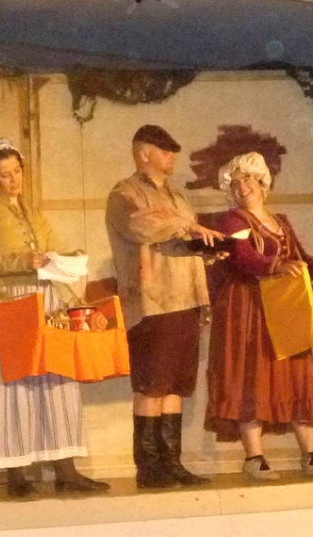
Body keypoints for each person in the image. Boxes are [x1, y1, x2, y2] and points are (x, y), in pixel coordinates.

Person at [0, 137, 109, 497]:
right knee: (10, 386)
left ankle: (66, 470)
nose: (14, 180)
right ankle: (15, 473)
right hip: (8, 302)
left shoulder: (35, 215)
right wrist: (22, 261)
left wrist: (76, 295)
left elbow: (54, 259)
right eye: (5, 175)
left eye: (17, 171)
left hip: (44, 302)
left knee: (55, 381)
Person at [204, 151, 313, 481]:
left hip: (284, 305)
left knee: (295, 373)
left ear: (263, 183)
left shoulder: (280, 221)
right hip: (248, 307)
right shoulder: (233, 220)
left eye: (248, 180)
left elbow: (300, 256)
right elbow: (242, 256)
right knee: (250, 374)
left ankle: (309, 454)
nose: (243, 188)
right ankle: (255, 457)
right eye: (235, 183)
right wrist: (276, 266)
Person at [105, 125, 223, 489]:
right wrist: (188, 227)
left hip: (186, 297)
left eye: (172, 150)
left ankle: (172, 462)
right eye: (164, 150)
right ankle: (148, 467)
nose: (172, 156)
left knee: (176, 385)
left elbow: (177, 241)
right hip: (152, 300)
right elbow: (141, 227)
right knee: (152, 385)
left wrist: (207, 248)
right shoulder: (125, 193)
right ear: (144, 153)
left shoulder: (178, 197)